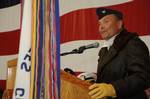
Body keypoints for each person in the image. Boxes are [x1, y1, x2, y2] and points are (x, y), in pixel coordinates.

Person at [88, 7, 150, 99]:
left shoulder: (132, 43)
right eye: (99, 23)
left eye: (106, 21)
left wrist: (114, 88)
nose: (101, 27)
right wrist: (92, 79)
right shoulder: (104, 49)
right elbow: (110, 76)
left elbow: (142, 77)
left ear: (119, 24)